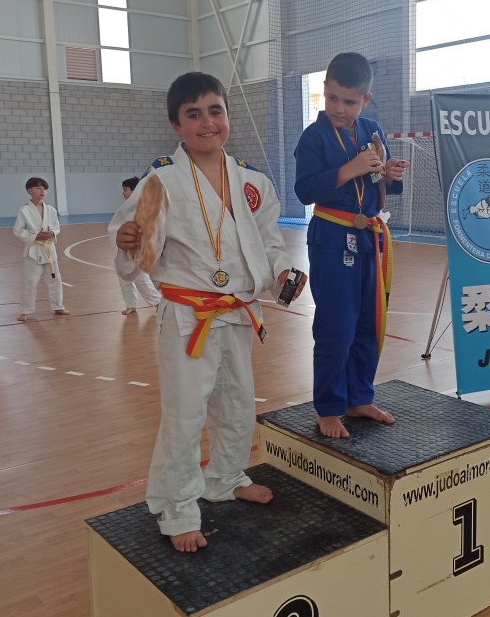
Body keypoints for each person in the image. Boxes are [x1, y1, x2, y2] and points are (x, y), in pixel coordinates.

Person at [110, 71, 305, 553]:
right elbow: (135, 254)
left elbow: (269, 245)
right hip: (187, 316)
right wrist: (128, 242)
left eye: (215, 110)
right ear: (176, 126)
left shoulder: (253, 181)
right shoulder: (161, 181)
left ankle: (226, 478)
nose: (206, 122)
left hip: (237, 311)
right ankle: (177, 507)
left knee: (237, 402)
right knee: (185, 414)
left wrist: (282, 273)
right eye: (193, 114)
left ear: (227, 115)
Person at [294, 52, 408, 439]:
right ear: (324, 90)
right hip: (331, 237)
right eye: (332, 98)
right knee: (336, 327)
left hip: (369, 238)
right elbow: (304, 190)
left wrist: (389, 176)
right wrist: (349, 169)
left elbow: (377, 184)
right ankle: (328, 407)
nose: (339, 109)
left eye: (349, 101)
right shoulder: (314, 137)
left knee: (367, 324)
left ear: (365, 100)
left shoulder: (371, 130)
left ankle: (358, 397)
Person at [13, 177, 69, 322]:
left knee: (55, 279)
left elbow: (56, 226)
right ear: (29, 191)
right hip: (33, 251)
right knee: (30, 282)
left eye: (44, 188)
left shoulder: (51, 210)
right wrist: (35, 236)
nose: (42, 190)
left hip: (49, 250)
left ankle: (58, 306)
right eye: (38, 188)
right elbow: (18, 230)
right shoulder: (24, 211)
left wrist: (53, 233)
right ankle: (25, 310)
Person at [117, 177, 161, 315]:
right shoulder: (126, 207)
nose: (123, 193)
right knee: (123, 276)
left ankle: (158, 302)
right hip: (125, 248)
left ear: (134, 191)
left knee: (140, 277)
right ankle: (130, 304)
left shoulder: (142, 206)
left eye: (125, 190)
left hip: (138, 247)